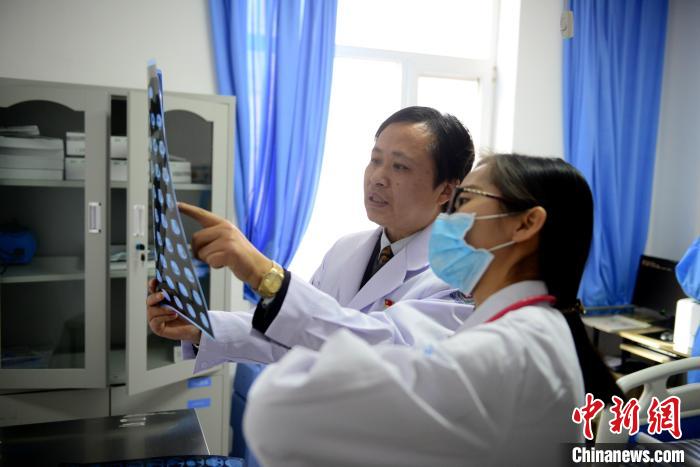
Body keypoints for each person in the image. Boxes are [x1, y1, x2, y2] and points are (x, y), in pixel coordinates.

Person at [242, 154, 623, 467]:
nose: (447, 219)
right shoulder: (534, 329)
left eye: (464, 200)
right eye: (375, 159)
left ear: (526, 223)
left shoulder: (509, 350)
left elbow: (279, 411)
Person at [146, 106, 476, 370]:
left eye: (399, 167)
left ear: (446, 191)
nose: (377, 177)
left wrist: (265, 274)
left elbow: (385, 352)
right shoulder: (346, 249)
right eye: (375, 160)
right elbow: (300, 336)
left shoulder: (460, 278)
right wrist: (202, 328)